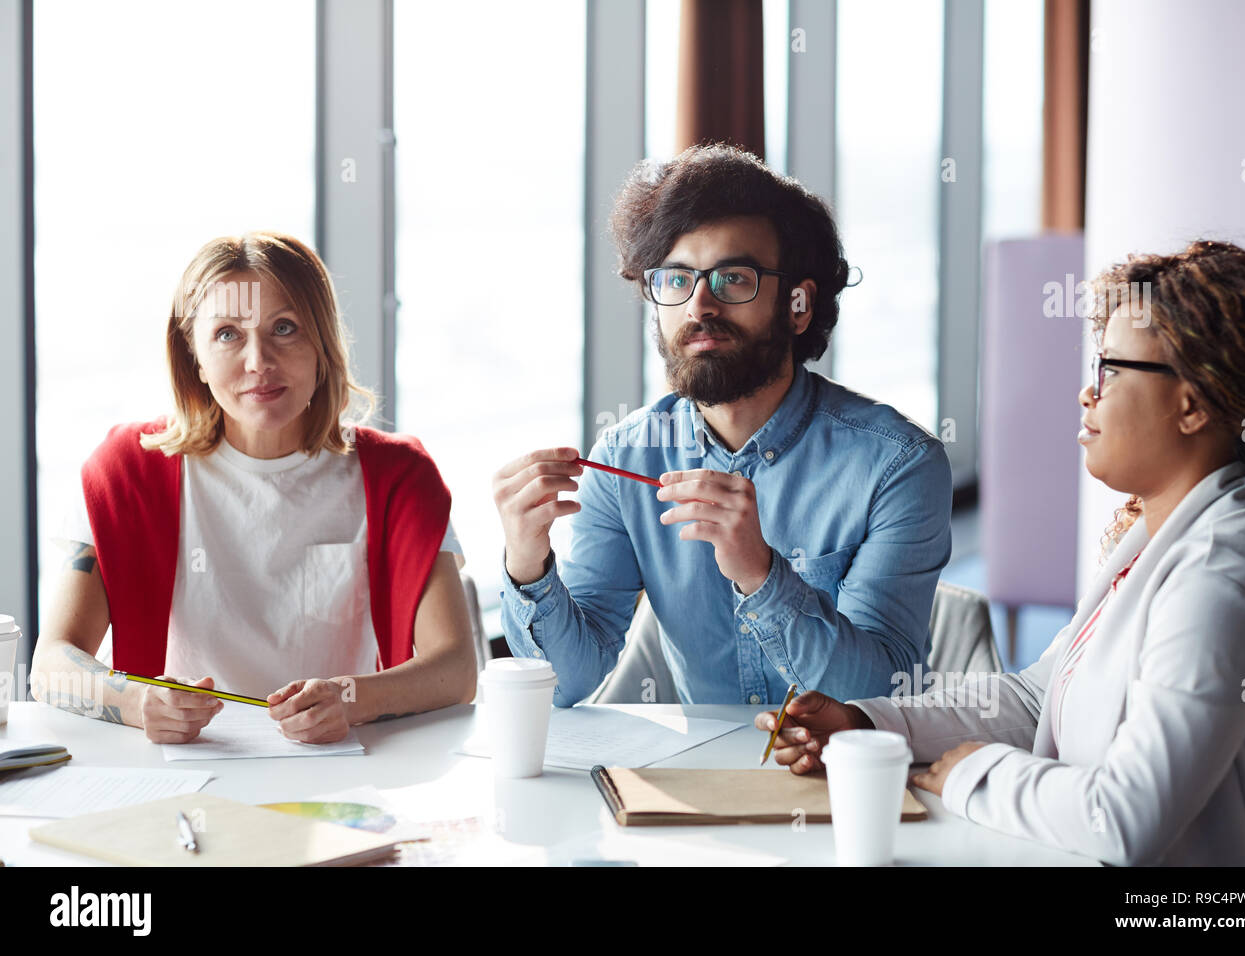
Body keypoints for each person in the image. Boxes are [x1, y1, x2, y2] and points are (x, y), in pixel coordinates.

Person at [756, 239, 1245, 866]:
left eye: (1112, 371)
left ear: (1194, 402)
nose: (1086, 394)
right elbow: (1039, 701)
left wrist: (972, 774)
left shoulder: (1223, 568)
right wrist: (864, 723)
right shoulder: (1165, 536)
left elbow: (1126, 818)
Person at [493, 145, 952, 706]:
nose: (699, 306)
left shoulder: (898, 465)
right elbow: (567, 683)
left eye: (733, 278)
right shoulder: (625, 459)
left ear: (799, 304)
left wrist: (762, 574)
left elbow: (880, 695)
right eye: (675, 279)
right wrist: (527, 560)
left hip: (844, 779)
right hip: (695, 784)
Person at [31, 231, 477, 744]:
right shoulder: (127, 471)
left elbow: (457, 670)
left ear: (322, 346)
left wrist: (351, 699)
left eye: (284, 328)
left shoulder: (399, 477)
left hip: (340, 770)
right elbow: (50, 665)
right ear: (193, 355)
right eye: (227, 334)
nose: (259, 361)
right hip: (181, 772)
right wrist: (137, 702)